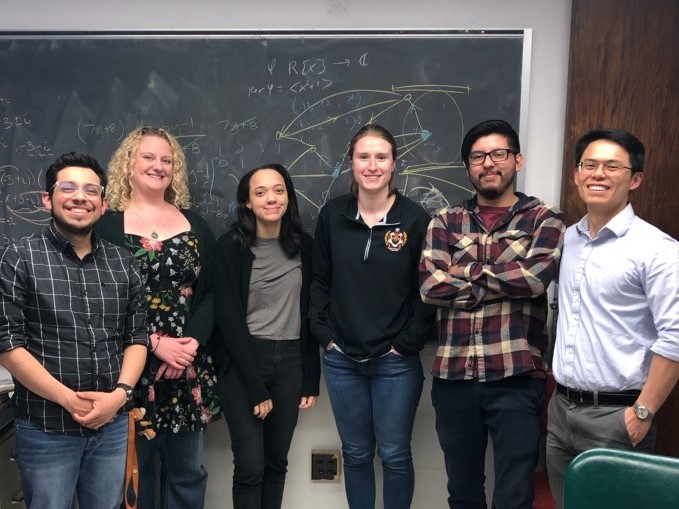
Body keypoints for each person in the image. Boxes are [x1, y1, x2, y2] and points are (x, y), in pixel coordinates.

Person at [419, 119, 565, 509]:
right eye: (478, 157)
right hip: (453, 377)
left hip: (517, 376)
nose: (488, 163)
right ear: (468, 167)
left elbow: (534, 280)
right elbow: (430, 287)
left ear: (517, 161)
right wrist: (501, 280)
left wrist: (463, 271)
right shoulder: (445, 220)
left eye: (498, 154)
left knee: (514, 494)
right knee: (462, 491)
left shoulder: (543, 219)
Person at [0, 152, 148, 509]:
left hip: (111, 426)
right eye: (68, 187)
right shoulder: (20, 257)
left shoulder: (124, 263)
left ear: (103, 203)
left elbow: (137, 338)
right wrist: (69, 399)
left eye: (91, 190)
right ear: (48, 199)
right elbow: (8, 344)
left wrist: (119, 395)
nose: (80, 197)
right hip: (47, 429)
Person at [546, 128, 679, 508]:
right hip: (561, 411)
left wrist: (642, 413)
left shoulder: (657, 250)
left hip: (617, 417)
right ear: (576, 174)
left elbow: (675, 337)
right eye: (589, 165)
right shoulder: (566, 240)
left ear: (635, 179)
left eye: (611, 166)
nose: (597, 174)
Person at [310, 124, 435, 509]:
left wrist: (406, 344)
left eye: (381, 157)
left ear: (394, 164)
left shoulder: (414, 219)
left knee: (395, 455)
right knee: (357, 454)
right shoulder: (333, 216)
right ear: (351, 163)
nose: (372, 165)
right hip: (342, 359)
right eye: (363, 156)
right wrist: (324, 334)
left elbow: (426, 291)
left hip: (395, 362)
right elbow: (319, 280)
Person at [96, 126, 221, 509]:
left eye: (166, 160)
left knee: (187, 472)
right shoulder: (105, 226)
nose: (158, 166)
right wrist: (154, 343)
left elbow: (215, 292)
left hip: (186, 365)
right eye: (148, 157)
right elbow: (100, 299)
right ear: (128, 165)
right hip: (131, 368)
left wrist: (189, 345)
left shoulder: (196, 225)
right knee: (136, 471)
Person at [212, 163, 320, 509]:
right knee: (250, 466)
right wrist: (256, 386)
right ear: (246, 202)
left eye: (278, 190)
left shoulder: (305, 245)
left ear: (288, 196)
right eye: (260, 193)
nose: (271, 199)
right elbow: (227, 320)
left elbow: (312, 312)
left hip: (289, 361)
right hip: (244, 362)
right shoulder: (230, 247)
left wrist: (310, 376)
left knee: (277, 463)